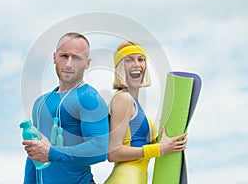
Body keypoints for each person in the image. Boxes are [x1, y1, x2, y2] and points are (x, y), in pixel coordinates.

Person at [22, 32, 109, 184]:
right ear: (55, 57)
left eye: (76, 58)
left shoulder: (89, 98)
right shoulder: (40, 103)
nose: (69, 64)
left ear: (87, 63)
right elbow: (34, 154)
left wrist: (52, 153)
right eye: (64, 56)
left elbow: (100, 149)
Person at [104, 41, 188, 184]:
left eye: (140, 59)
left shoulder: (135, 104)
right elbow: (113, 152)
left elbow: (137, 143)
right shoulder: (123, 99)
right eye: (129, 60)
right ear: (120, 68)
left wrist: (163, 141)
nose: (136, 64)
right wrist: (159, 149)